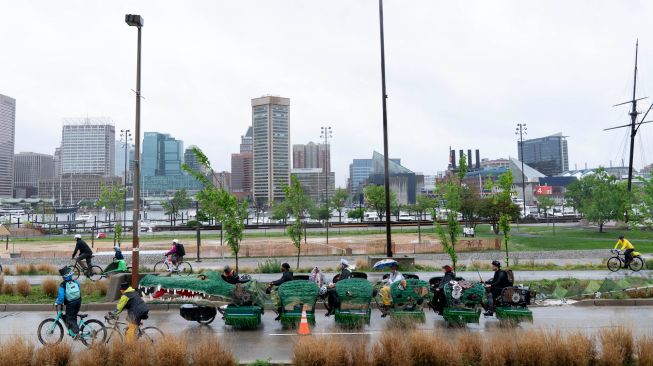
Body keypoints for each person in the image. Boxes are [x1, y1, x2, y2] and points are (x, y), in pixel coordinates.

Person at [55, 266, 82, 338]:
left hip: (71, 304)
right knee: (73, 317)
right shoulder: (75, 282)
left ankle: (77, 333)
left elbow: (61, 297)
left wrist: (58, 302)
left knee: (69, 319)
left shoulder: (63, 284)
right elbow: (79, 291)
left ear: (64, 276)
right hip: (78, 301)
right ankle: (74, 331)